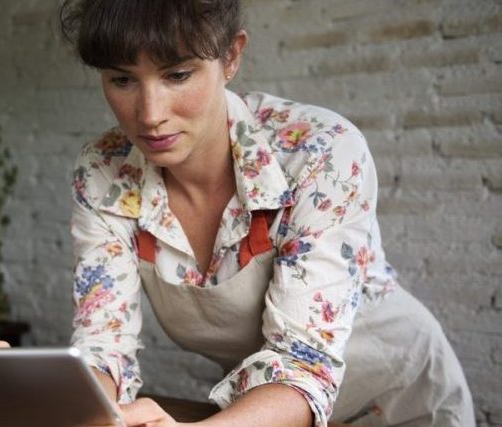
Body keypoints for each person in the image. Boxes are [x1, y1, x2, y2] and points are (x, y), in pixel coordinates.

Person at [48, 1, 475, 426]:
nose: (150, 114)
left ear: (230, 56)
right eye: (122, 80)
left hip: (400, 399)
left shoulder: (319, 152)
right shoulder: (104, 170)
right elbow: (104, 346)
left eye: (177, 75)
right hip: (259, 412)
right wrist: (38, 389)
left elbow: (301, 362)